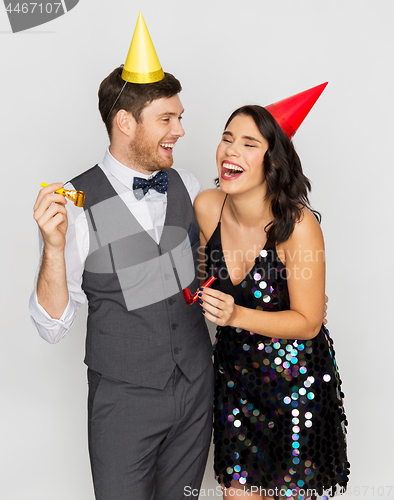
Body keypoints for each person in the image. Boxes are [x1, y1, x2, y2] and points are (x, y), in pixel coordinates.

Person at [29, 13, 213, 500]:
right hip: (124, 399)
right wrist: (52, 248)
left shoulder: (188, 185)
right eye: (167, 119)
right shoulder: (72, 200)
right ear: (125, 122)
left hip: (196, 388)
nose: (180, 130)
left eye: (179, 117)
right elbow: (52, 326)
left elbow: (212, 270)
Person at [194, 94, 350, 499]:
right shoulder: (207, 207)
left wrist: (235, 314)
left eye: (249, 144)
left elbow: (309, 322)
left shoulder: (297, 227)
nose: (232, 150)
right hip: (235, 385)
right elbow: (197, 277)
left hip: (295, 391)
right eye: (228, 138)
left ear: (273, 162)